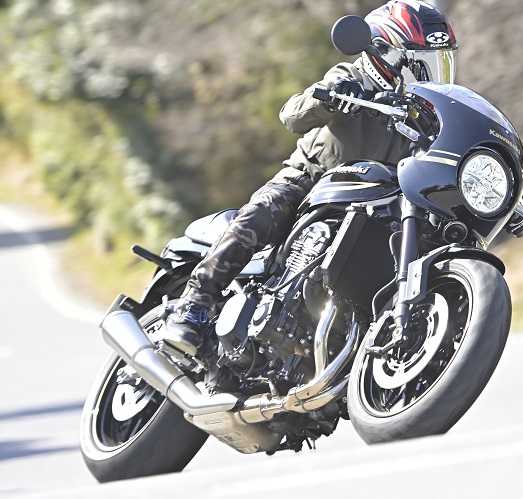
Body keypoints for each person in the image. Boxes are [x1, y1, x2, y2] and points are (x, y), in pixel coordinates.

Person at [163, 0, 459, 356]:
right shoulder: (351, 77)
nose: (432, 75)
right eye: (422, 63)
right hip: (309, 184)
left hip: (375, 204)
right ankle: (194, 304)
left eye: (440, 62)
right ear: (387, 53)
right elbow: (291, 115)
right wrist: (332, 98)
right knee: (263, 212)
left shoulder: (425, 118)